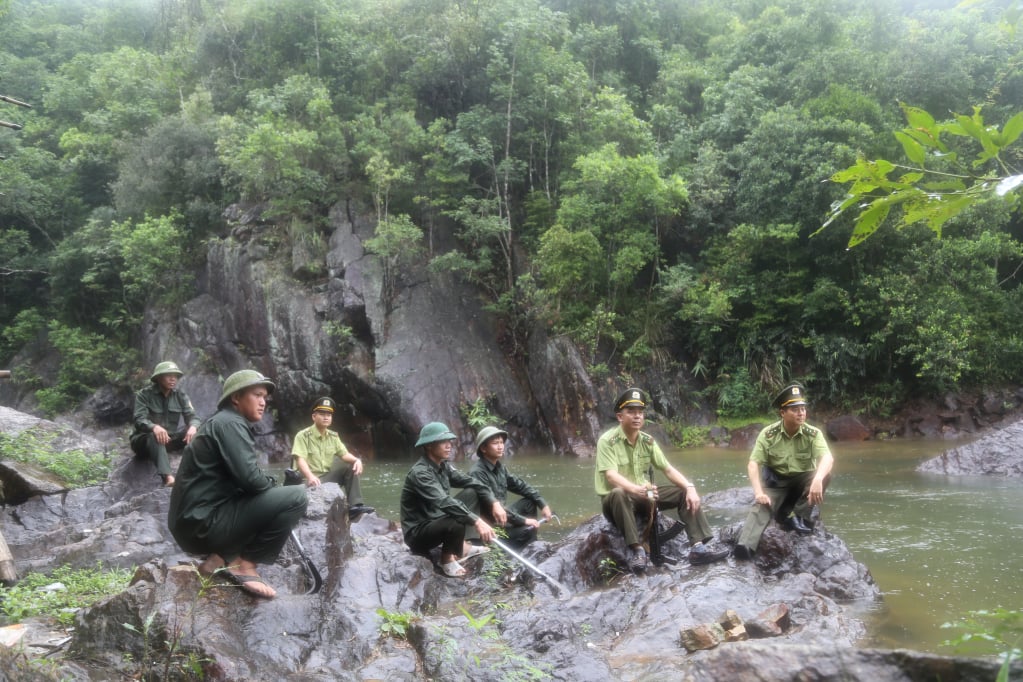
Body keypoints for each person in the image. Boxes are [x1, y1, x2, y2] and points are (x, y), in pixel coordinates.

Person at [168, 370, 308, 599]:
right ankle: (245, 564)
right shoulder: (230, 424)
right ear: (236, 398)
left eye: (265, 397)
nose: (263, 402)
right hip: (201, 525)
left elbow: (242, 481)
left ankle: (222, 557)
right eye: (257, 395)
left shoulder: (222, 422)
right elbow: (251, 480)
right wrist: (277, 487)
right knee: (297, 497)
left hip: (191, 524)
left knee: (268, 496)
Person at [596, 388, 729, 573]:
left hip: (643, 493)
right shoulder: (607, 441)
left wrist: (690, 487)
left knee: (683, 493)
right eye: (631, 412)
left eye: (640, 412)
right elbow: (610, 476)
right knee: (619, 493)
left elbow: (667, 469)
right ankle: (638, 550)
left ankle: (698, 547)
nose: (637, 416)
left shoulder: (647, 441)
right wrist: (636, 490)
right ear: (620, 416)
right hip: (615, 499)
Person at [733, 382, 835, 560]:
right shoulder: (768, 434)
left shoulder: (813, 434)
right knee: (762, 506)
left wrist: (818, 479)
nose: (801, 412)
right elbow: (753, 464)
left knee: (824, 475)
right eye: (795, 409)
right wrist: (758, 493)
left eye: (803, 408)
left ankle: (801, 516)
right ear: (782, 413)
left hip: (801, 483)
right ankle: (745, 545)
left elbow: (828, 458)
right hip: (776, 484)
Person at [399, 422, 498, 578]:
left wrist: (494, 502)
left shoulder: (443, 466)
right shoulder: (420, 473)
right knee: (455, 516)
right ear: (429, 446)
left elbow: (471, 482)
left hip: (436, 521)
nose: (449, 445)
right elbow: (444, 502)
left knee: (473, 492)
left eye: (449, 441)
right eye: (443, 442)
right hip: (418, 533)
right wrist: (477, 521)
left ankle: (463, 546)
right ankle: (446, 560)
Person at [461, 426, 553, 549]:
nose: (500, 446)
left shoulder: (500, 468)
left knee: (530, 502)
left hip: (504, 518)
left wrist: (543, 504)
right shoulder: (477, 473)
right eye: (495, 443)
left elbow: (521, 486)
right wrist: (524, 521)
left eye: (501, 443)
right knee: (527, 530)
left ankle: (528, 538)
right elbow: (492, 509)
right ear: (483, 448)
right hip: (490, 527)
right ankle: (528, 544)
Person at [290, 396, 374, 521]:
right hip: (305, 481)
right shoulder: (303, 436)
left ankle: (355, 506)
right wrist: (310, 476)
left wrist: (357, 460)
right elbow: (300, 459)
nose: (326, 417)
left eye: (329, 414)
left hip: (325, 478)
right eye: (322, 414)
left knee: (350, 467)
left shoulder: (333, 436)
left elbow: (344, 455)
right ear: (314, 417)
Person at [130, 361, 201, 487]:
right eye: (168, 375)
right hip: (144, 440)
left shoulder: (180, 395)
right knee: (154, 436)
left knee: (198, 433)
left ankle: (203, 472)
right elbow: (139, 419)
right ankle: (168, 477)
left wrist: (193, 427)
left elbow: (193, 417)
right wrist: (154, 427)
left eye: (175, 375)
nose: (173, 378)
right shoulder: (144, 395)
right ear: (158, 378)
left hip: (169, 439)